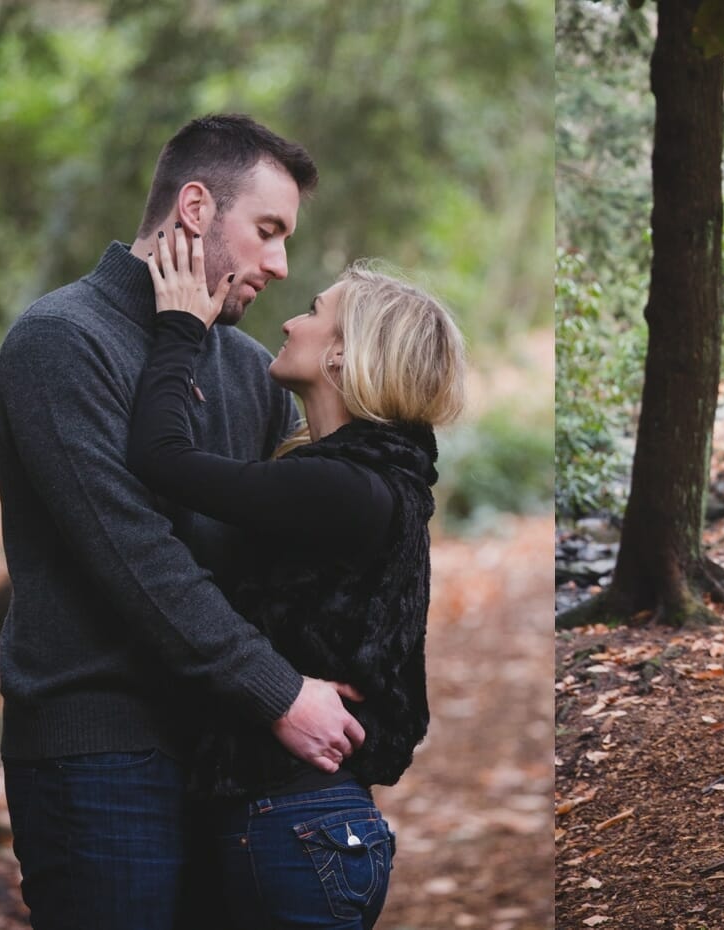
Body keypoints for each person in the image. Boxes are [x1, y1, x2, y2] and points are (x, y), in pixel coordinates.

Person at [0, 114, 367, 930]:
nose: (280, 263)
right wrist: (278, 693)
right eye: (267, 231)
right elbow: (134, 555)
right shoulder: (58, 341)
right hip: (99, 756)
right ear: (195, 208)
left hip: (225, 755)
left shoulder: (247, 369)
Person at [127, 230, 466, 928]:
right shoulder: (374, 480)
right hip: (309, 823)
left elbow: (161, 458)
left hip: (295, 824)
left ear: (343, 351)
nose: (288, 319)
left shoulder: (339, 488)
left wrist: (181, 330)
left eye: (314, 310)